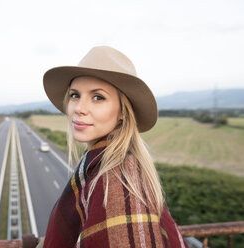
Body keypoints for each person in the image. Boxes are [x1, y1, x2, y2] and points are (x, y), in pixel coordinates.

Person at [39, 46, 189, 247]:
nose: (79, 108)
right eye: (75, 95)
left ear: (122, 113)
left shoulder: (118, 179)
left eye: (98, 97)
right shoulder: (100, 164)